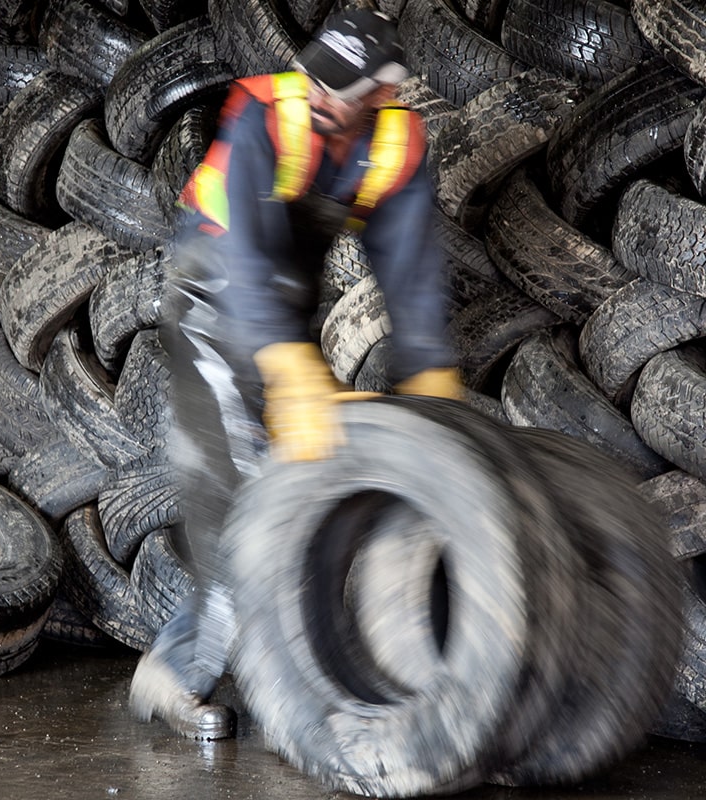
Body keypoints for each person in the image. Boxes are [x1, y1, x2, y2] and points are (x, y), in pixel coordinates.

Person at [128, 8, 464, 740]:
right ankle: (173, 678)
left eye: (339, 87)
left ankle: (307, 674)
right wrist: (286, 365)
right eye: (316, 73)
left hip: (286, 316)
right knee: (239, 500)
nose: (317, 92)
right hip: (213, 303)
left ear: (382, 93)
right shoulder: (265, 114)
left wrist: (431, 376)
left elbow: (410, 276)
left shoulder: (398, 146)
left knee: (302, 490)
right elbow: (243, 256)